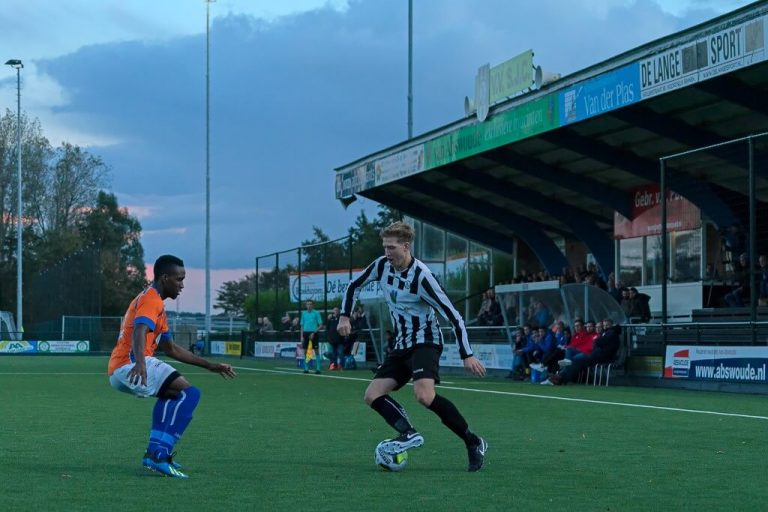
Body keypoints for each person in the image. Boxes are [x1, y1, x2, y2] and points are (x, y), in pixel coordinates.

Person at [337, 221, 488, 472]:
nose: (387, 252)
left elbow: (454, 316)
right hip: (402, 344)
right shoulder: (381, 265)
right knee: (372, 395)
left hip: (426, 341)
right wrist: (345, 316)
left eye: (392, 247)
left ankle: (473, 442)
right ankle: (408, 433)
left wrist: (467, 354)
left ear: (406, 246)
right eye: (385, 247)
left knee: (424, 395)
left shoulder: (422, 277)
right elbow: (354, 285)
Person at [107, 255, 236, 478]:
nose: (182, 285)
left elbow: (171, 349)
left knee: (173, 395)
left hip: (121, 368)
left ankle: (153, 454)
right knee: (190, 394)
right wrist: (140, 363)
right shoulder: (151, 299)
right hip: (131, 364)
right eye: (179, 279)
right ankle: (161, 454)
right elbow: (139, 330)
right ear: (164, 278)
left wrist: (210, 365)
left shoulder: (156, 305)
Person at [300, 300, 323, 374]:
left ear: (312, 305)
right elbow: (302, 326)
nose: (309, 306)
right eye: (308, 304)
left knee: (316, 350)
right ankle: (306, 368)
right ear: (306, 306)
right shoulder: (304, 313)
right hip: (306, 333)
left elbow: (321, 325)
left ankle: (318, 368)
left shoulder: (316, 313)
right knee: (305, 351)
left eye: (310, 304)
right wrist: (301, 336)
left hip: (314, 333)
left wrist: (314, 332)